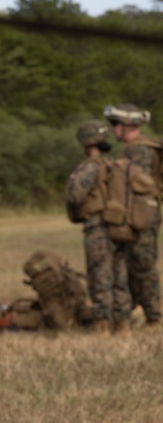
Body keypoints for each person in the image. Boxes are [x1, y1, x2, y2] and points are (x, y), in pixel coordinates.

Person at [65, 120, 131, 334]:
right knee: (119, 277)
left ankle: (103, 325)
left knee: (99, 277)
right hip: (120, 227)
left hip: (98, 228)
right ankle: (123, 325)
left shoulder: (90, 167)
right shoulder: (117, 165)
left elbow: (75, 195)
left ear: (85, 143)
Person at [104, 103, 161, 329]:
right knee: (133, 263)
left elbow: (139, 187)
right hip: (135, 215)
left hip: (142, 216)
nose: (113, 129)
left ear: (128, 125)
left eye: (115, 124)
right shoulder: (132, 149)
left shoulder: (140, 150)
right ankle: (138, 309)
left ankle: (154, 317)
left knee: (143, 264)